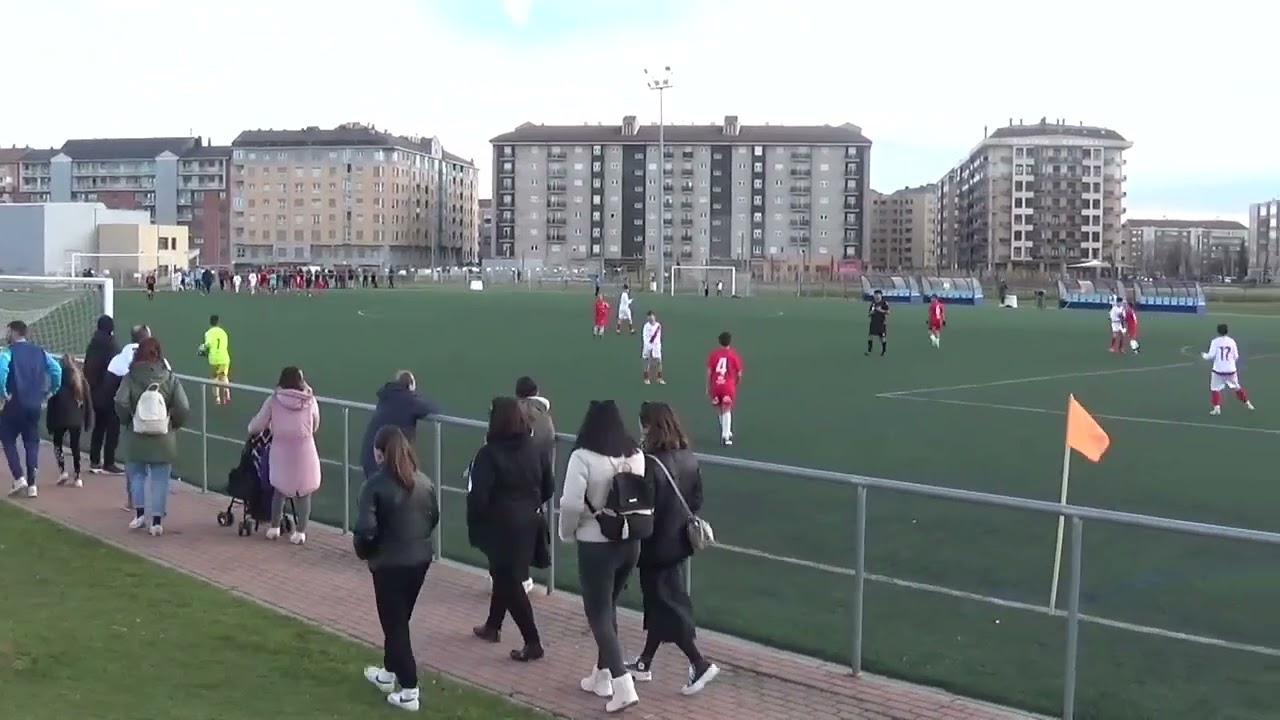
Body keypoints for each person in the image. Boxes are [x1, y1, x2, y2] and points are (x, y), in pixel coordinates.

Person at [626, 402, 719, 695]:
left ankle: (699, 663)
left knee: (665, 604)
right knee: (660, 601)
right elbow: (696, 500)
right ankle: (645, 662)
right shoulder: (688, 457)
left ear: (648, 427)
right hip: (678, 541)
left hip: (655, 546)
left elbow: (645, 508)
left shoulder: (650, 463)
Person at [559, 400, 646, 712]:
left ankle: (622, 684)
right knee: (608, 607)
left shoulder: (582, 457)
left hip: (596, 543)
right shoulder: (636, 455)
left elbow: (570, 503)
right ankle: (603, 675)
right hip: (630, 540)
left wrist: (567, 532)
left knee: (597, 612)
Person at [355, 426, 439, 713]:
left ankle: (410, 689)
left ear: (379, 454)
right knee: (399, 619)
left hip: (389, 563)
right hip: (419, 559)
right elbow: (434, 517)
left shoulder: (375, 485)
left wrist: (366, 553)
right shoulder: (424, 481)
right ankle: (388, 673)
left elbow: (365, 530)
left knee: (395, 625)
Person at [467, 397, 553, 661]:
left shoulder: (489, 454)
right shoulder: (535, 449)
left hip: (502, 526)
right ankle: (493, 626)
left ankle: (533, 642)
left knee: (509, 582)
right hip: (529, 521)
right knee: (503, 575)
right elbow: (548, 486)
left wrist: (482, 521)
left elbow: (479, 497)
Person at [115, 337, 190, 535]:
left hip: (136, 435)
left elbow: (120, 401)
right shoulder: (169, 378)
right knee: (160, 479)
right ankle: (156, 521)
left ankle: (139, 514)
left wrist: (128, 420)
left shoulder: (131, 377)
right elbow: (183, 406)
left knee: (137, 475)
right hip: (163, 437)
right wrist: (173, 423)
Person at [247, 366, 321, 545]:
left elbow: (258, 424)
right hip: (304, 449)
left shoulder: (274, 400)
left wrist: (251, 429)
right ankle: (301, 532)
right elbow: (315, 423)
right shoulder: (310, 400)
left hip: (281, 449)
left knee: (279, 488)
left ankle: (274, 528)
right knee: (305, 491)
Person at [0, 320, 63, 498]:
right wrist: (51, 392)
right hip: (34, 404)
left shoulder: (8, 352)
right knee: (31, 442)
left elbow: (2, 371)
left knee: (7, 437)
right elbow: (57, 371)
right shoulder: (41, 352)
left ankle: (19, 477)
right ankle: (32, 484)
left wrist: (3, 392)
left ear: (14, 332)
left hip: (15, 403)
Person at [359, 371, 440, 479]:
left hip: (370, 455)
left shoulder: (386, 397)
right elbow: (432, 408)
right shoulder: (409, 401)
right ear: (410, 385)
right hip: (386, 460)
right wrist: (414, 396)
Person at [515, 375, 554, 594]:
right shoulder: (544, 417)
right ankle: (522, 577)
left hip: (513, 480)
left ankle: (512, 576)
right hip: (536, 482)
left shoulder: (511, 414)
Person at [82, 314, 123, 476]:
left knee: (98, 427)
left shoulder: (93, 345)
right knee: (113, 428)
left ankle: (94, 461)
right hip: (109, 393)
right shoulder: (112, 346)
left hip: (94, 393)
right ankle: (109, 462)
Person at [47, 353, 93, 487]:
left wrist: (50, 424)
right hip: (76, 418)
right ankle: (78, 476)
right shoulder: (80, 379)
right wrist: (88, 421)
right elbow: (88, 402)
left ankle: (63, 471)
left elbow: (51, 403)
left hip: (59, 418)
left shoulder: (57, 379)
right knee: (75, 446)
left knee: (58, 444)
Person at [1202, 323, 1254, 416]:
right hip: (1231, 370)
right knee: (1237, 387)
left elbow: (1211, 355)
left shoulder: (1215, 341)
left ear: (1218, 331)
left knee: (1214, 388)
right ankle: (1248, 404)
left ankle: (1217, 408)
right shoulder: (1231, 341)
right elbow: (1236, 356)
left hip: (1218, 370)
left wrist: (1204, 355)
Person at [706, 332, 743, 446]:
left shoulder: (713, 354)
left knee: (720, 409)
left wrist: (708, 386)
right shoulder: (733, 355)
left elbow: (709, 372)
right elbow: (739, 373)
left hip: (716, 385)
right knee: (727, 408)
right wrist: (735, 383)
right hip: (728, 386)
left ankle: (725, 430)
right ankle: (726, 436)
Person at [201, 314, 232, 405]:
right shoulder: (223, 333)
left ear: (210, 323)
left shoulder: (209, 333)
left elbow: (207, 345)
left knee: (215, 378)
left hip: (214, 359)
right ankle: (227, 393)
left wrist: (201, 350)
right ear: (219, 323)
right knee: (224, 376)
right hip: (224, 358)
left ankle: (217, 398)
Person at [641, 310, 664, 385]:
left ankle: (659, 378)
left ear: (654, 317)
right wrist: (649, 347)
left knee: (659, 362)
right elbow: (645, 338)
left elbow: (658, 337)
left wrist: (658, 346)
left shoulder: (658, 326)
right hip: (648, 346)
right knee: (647, 361)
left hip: (656, 346)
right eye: (649, 317)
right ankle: (646, 378)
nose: (650, 319)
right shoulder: (646, 327)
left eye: (651, 317)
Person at [867, 290, 889, 356]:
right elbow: (869, 313)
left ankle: (883, 351)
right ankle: (869, 351)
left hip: (881, 323)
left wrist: (880, 310)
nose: (876, 296)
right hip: (873, 322)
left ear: (881, 295)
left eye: (877, 294)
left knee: (882, 338)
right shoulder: (873, 303)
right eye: (875, 295)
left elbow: (888, 312)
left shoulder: (884, 303)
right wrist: (870, 313)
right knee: (870, 336)